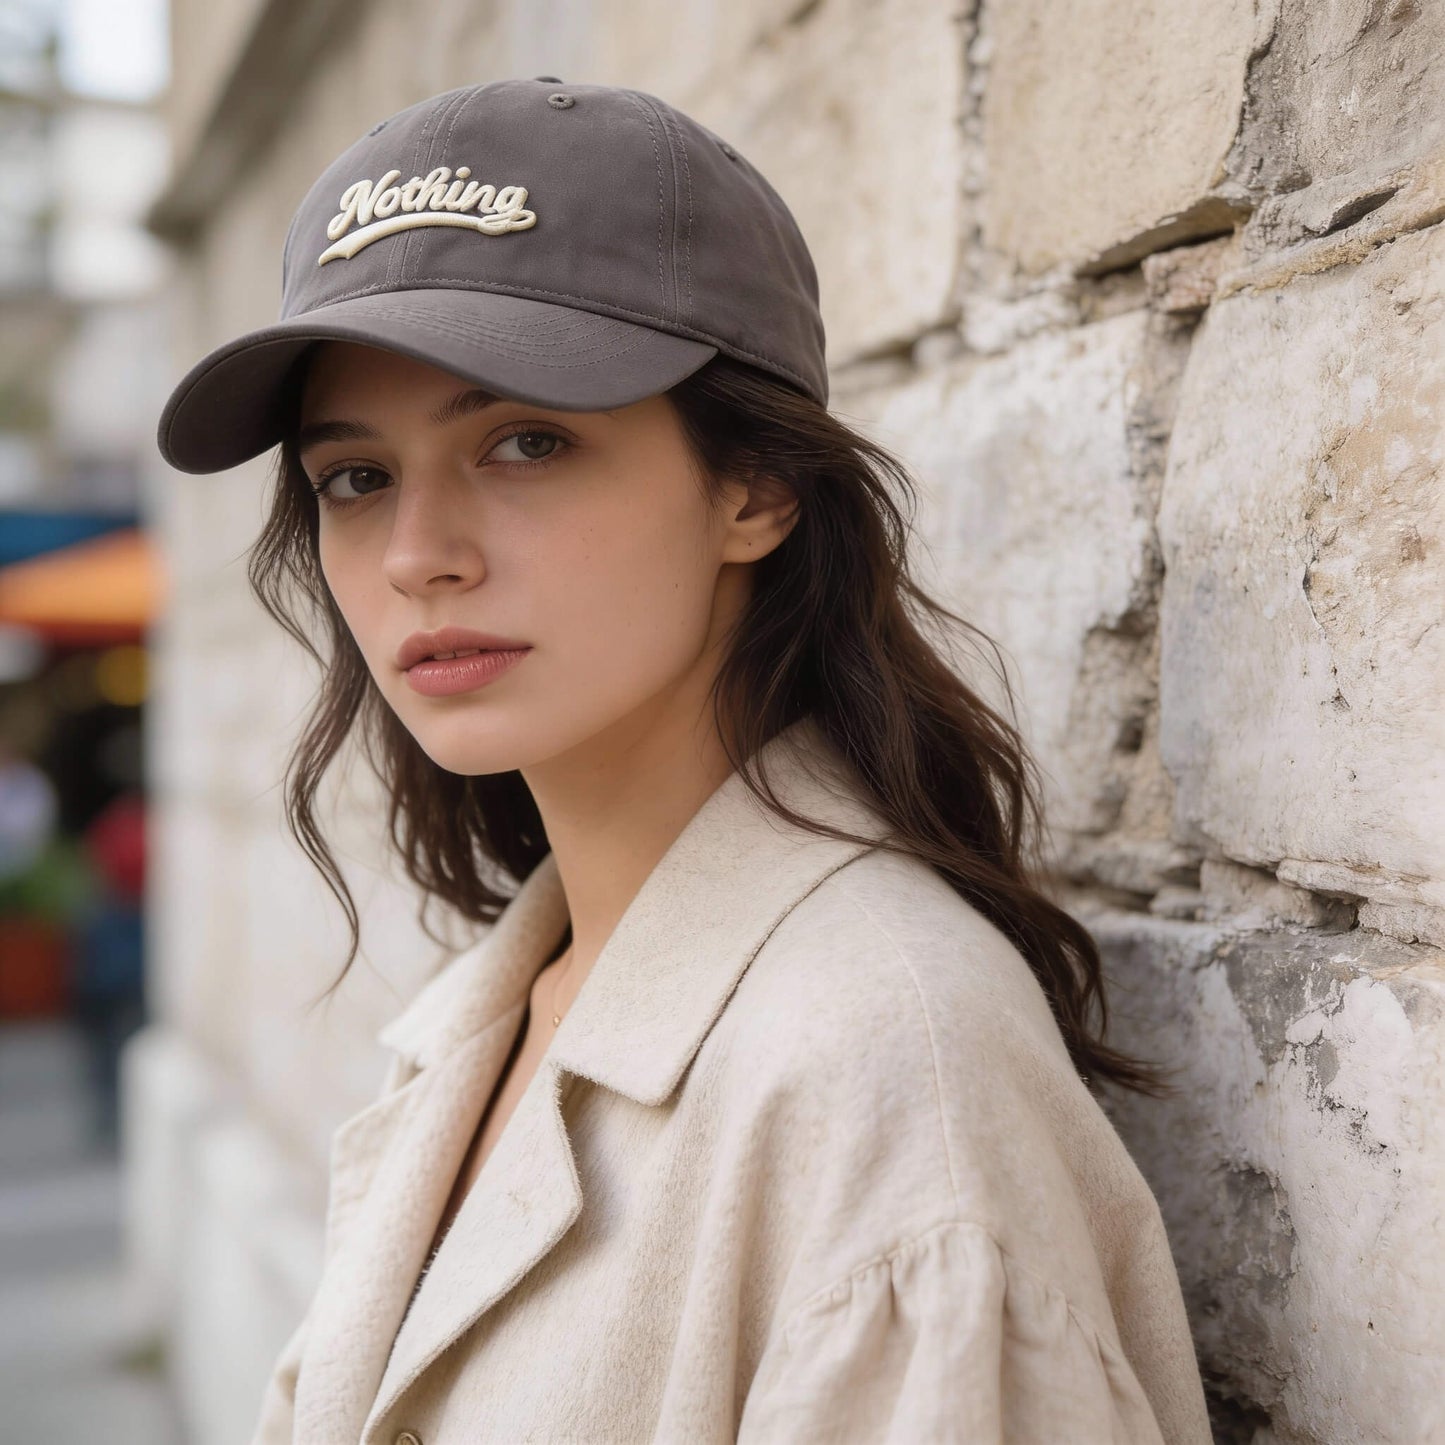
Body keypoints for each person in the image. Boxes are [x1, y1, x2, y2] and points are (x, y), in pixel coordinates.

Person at [157, 78, 1213, 1445]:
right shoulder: (497, 1007)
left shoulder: (888, 1081)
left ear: (755, 487)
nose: (418, 553)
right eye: (354, 476)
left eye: (525, 442)